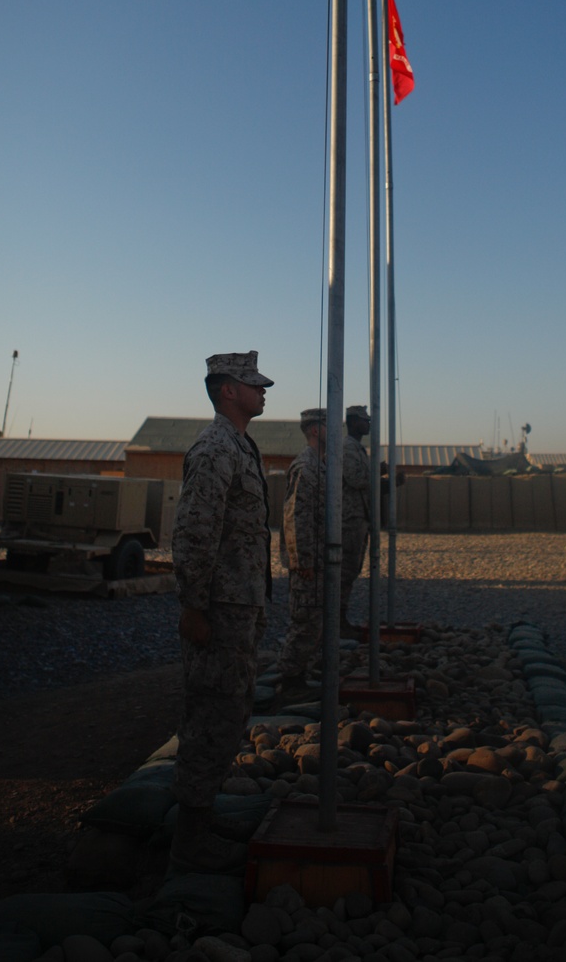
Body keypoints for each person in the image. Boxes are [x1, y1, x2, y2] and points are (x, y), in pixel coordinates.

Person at [169, 350, 273, 871]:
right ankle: (189, 839)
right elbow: (193, 531)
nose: (263, 392)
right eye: (254, 385)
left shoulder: (240, 445)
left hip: (239, 605)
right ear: (227, 389)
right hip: (219, 608)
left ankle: (202, 816)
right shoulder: (215, 448)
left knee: (230, 710)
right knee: (211, 713)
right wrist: (193, 605)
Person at [277, 407, 327, 704]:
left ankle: (299, 674)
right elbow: (295, 515)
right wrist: (303, 560)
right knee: (305, 620)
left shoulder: (318, 465)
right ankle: (290, 681)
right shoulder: (306, 467)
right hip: (308, 562)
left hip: (317, 559)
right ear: (316, 431)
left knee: (314, 619)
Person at [340, 403, 371, 635]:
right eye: (363, 419)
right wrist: (378, 473)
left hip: (358, 518)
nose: (367, 423)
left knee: (352, 570)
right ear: (352, 423)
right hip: (348, 519)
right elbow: (356, 479)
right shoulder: (348, 448)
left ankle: (340, 618)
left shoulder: (358, 448)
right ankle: (337, 620)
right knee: (345, 571)